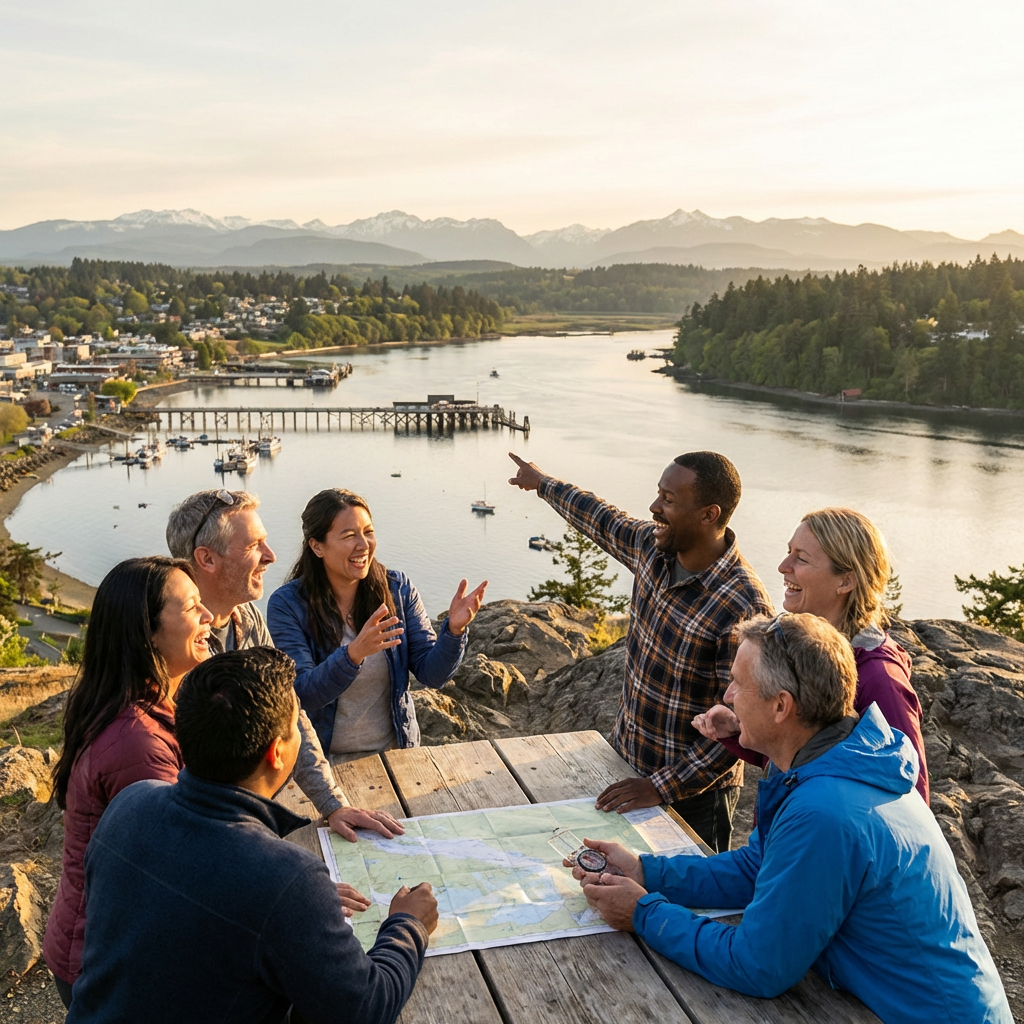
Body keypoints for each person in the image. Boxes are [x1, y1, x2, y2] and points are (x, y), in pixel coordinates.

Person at [569, 614, 1012, 1024]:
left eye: (738, 684)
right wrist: (646, 872)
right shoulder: (831, 762)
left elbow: (757, 965)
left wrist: (643, 913)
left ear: (781, 706)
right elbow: (757, 867)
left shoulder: (825, 809)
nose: (727, 696)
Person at [66, 647, 438, 1024]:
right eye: (297, 726)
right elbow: (365, 1009)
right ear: (276, 752)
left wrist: (301, 904)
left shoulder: (129, 803)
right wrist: (408, 924)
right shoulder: (286, 880)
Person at [508, 451, 773, 851]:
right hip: (625, 763)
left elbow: (740, 722)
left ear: (709, 514)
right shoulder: (653, 548)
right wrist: (542, 483)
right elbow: (601, 517)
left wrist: (659, 787)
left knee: (693, 887)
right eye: (658, 494)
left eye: (668, 499)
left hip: (695, 797)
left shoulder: (743, 605)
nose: (654, 507)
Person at [167, 488, 402, 841]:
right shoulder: (173, 642)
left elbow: (289, 712)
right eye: (254, 545)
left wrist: (333, 805)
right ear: (207, 559)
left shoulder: (247, 618)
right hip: (198, 834)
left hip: (246, 818)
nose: (271, 556)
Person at [44, 556, 213, 1006]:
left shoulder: (143, 703)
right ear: (147, 632)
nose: (209, 616)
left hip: (102, 942)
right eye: (192, 607)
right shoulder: (137, 744)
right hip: (108, 963)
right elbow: (183, 869)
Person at [693, 506, 929, 803]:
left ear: (845, 581)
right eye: (788, 552)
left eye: (801, 558)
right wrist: (736, 731)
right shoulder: (801, 648)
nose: (783, 566)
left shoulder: (880, 680)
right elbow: (800, 754)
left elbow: (909, 795)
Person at [268, 488, 487, 760]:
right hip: (322, 761)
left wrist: (454, 631)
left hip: (395, 754)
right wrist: (352, 655)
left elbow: (433, 675)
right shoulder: (288, 605)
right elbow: (303, 693)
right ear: (317, 546)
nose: (363, 545)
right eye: (349, 535)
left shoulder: (397, 589)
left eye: (368, 532)